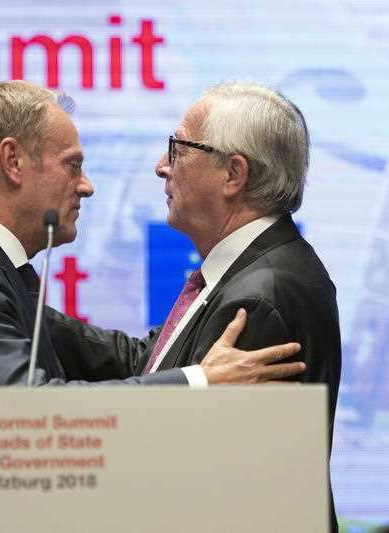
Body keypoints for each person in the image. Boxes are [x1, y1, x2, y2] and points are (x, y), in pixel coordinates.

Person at [0, 80, 305, 388]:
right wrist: (199, 382)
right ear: (13, 162)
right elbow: (30, 411)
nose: (87, 186)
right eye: (72, 165)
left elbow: (130, 360)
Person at [48, 82, 341, 531]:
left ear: (233, 174)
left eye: (179, 149)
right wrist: (16, 303)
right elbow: (150, 362)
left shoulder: (261, 296)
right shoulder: (247, 270)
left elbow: (204, 475)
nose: (161, 166)